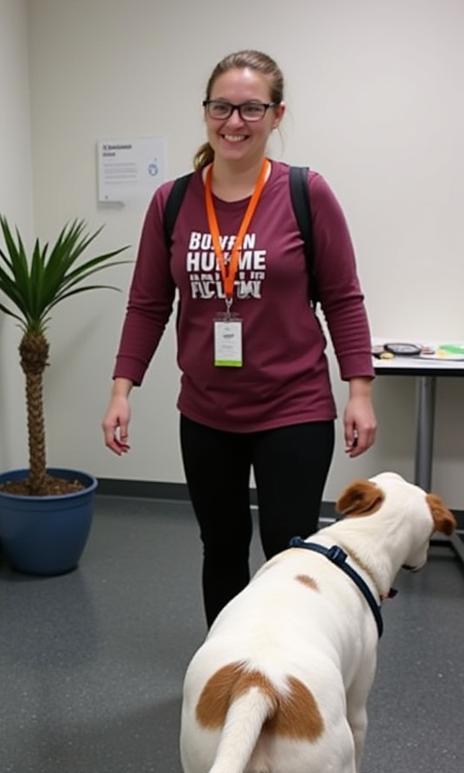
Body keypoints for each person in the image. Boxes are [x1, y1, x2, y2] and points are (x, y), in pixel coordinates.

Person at [101, 49, 376, 627]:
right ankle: (228, 668)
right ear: (206, 113)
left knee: (291, 552)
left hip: (293, 408)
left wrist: (360, 390)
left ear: (277, 116)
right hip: (206, 412)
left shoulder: (306, 192)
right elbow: (148, 303)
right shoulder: (172, 201)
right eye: (222, 107)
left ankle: (290, 671)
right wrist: (122, 388)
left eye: (252, 108)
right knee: (221, 547)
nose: (235, 121)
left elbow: (343, 297)